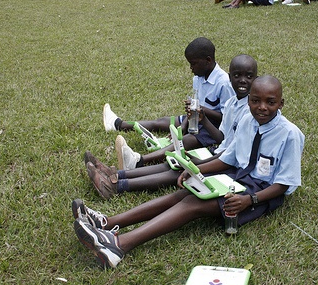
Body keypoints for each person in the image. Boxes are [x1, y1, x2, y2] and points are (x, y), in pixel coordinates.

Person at [72, 75, 305, 268]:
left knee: (191, 205)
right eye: (255, 101)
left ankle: (118, 246)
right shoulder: (247, 120)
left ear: (281, 104)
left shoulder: (290, 134)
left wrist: (249, 200)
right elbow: (229, 158)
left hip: (261, 193)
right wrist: (195, 170)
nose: (261, 107)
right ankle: (107, 223)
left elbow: (283, 185)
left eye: (270, 102)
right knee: (180, 195)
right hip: (238, 178)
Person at [84, 55, 258, 198]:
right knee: (173, 163)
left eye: (248, 76)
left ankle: (116, 186)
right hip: (219, 153)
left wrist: (203, 163)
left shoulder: (251, 112)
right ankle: (116, 174)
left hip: (227, 162)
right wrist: (203, 119)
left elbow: (233, 155)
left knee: (178, 170)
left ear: (255, 79)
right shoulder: (232, 103)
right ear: (230, 77)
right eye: (237, 76)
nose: (242, 81)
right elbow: (223, 139)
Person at [103, 37, 234, 134]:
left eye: (193, 64)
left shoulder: (223, 83)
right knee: (160, 122)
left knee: (185, 139)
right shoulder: (198, 78)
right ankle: (119, 124)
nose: (191, 68)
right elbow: (194, 110)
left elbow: (227, 118)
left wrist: (201, 110)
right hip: (196, 120)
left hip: (213, 127)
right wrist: (183, 125)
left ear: (208, 60)